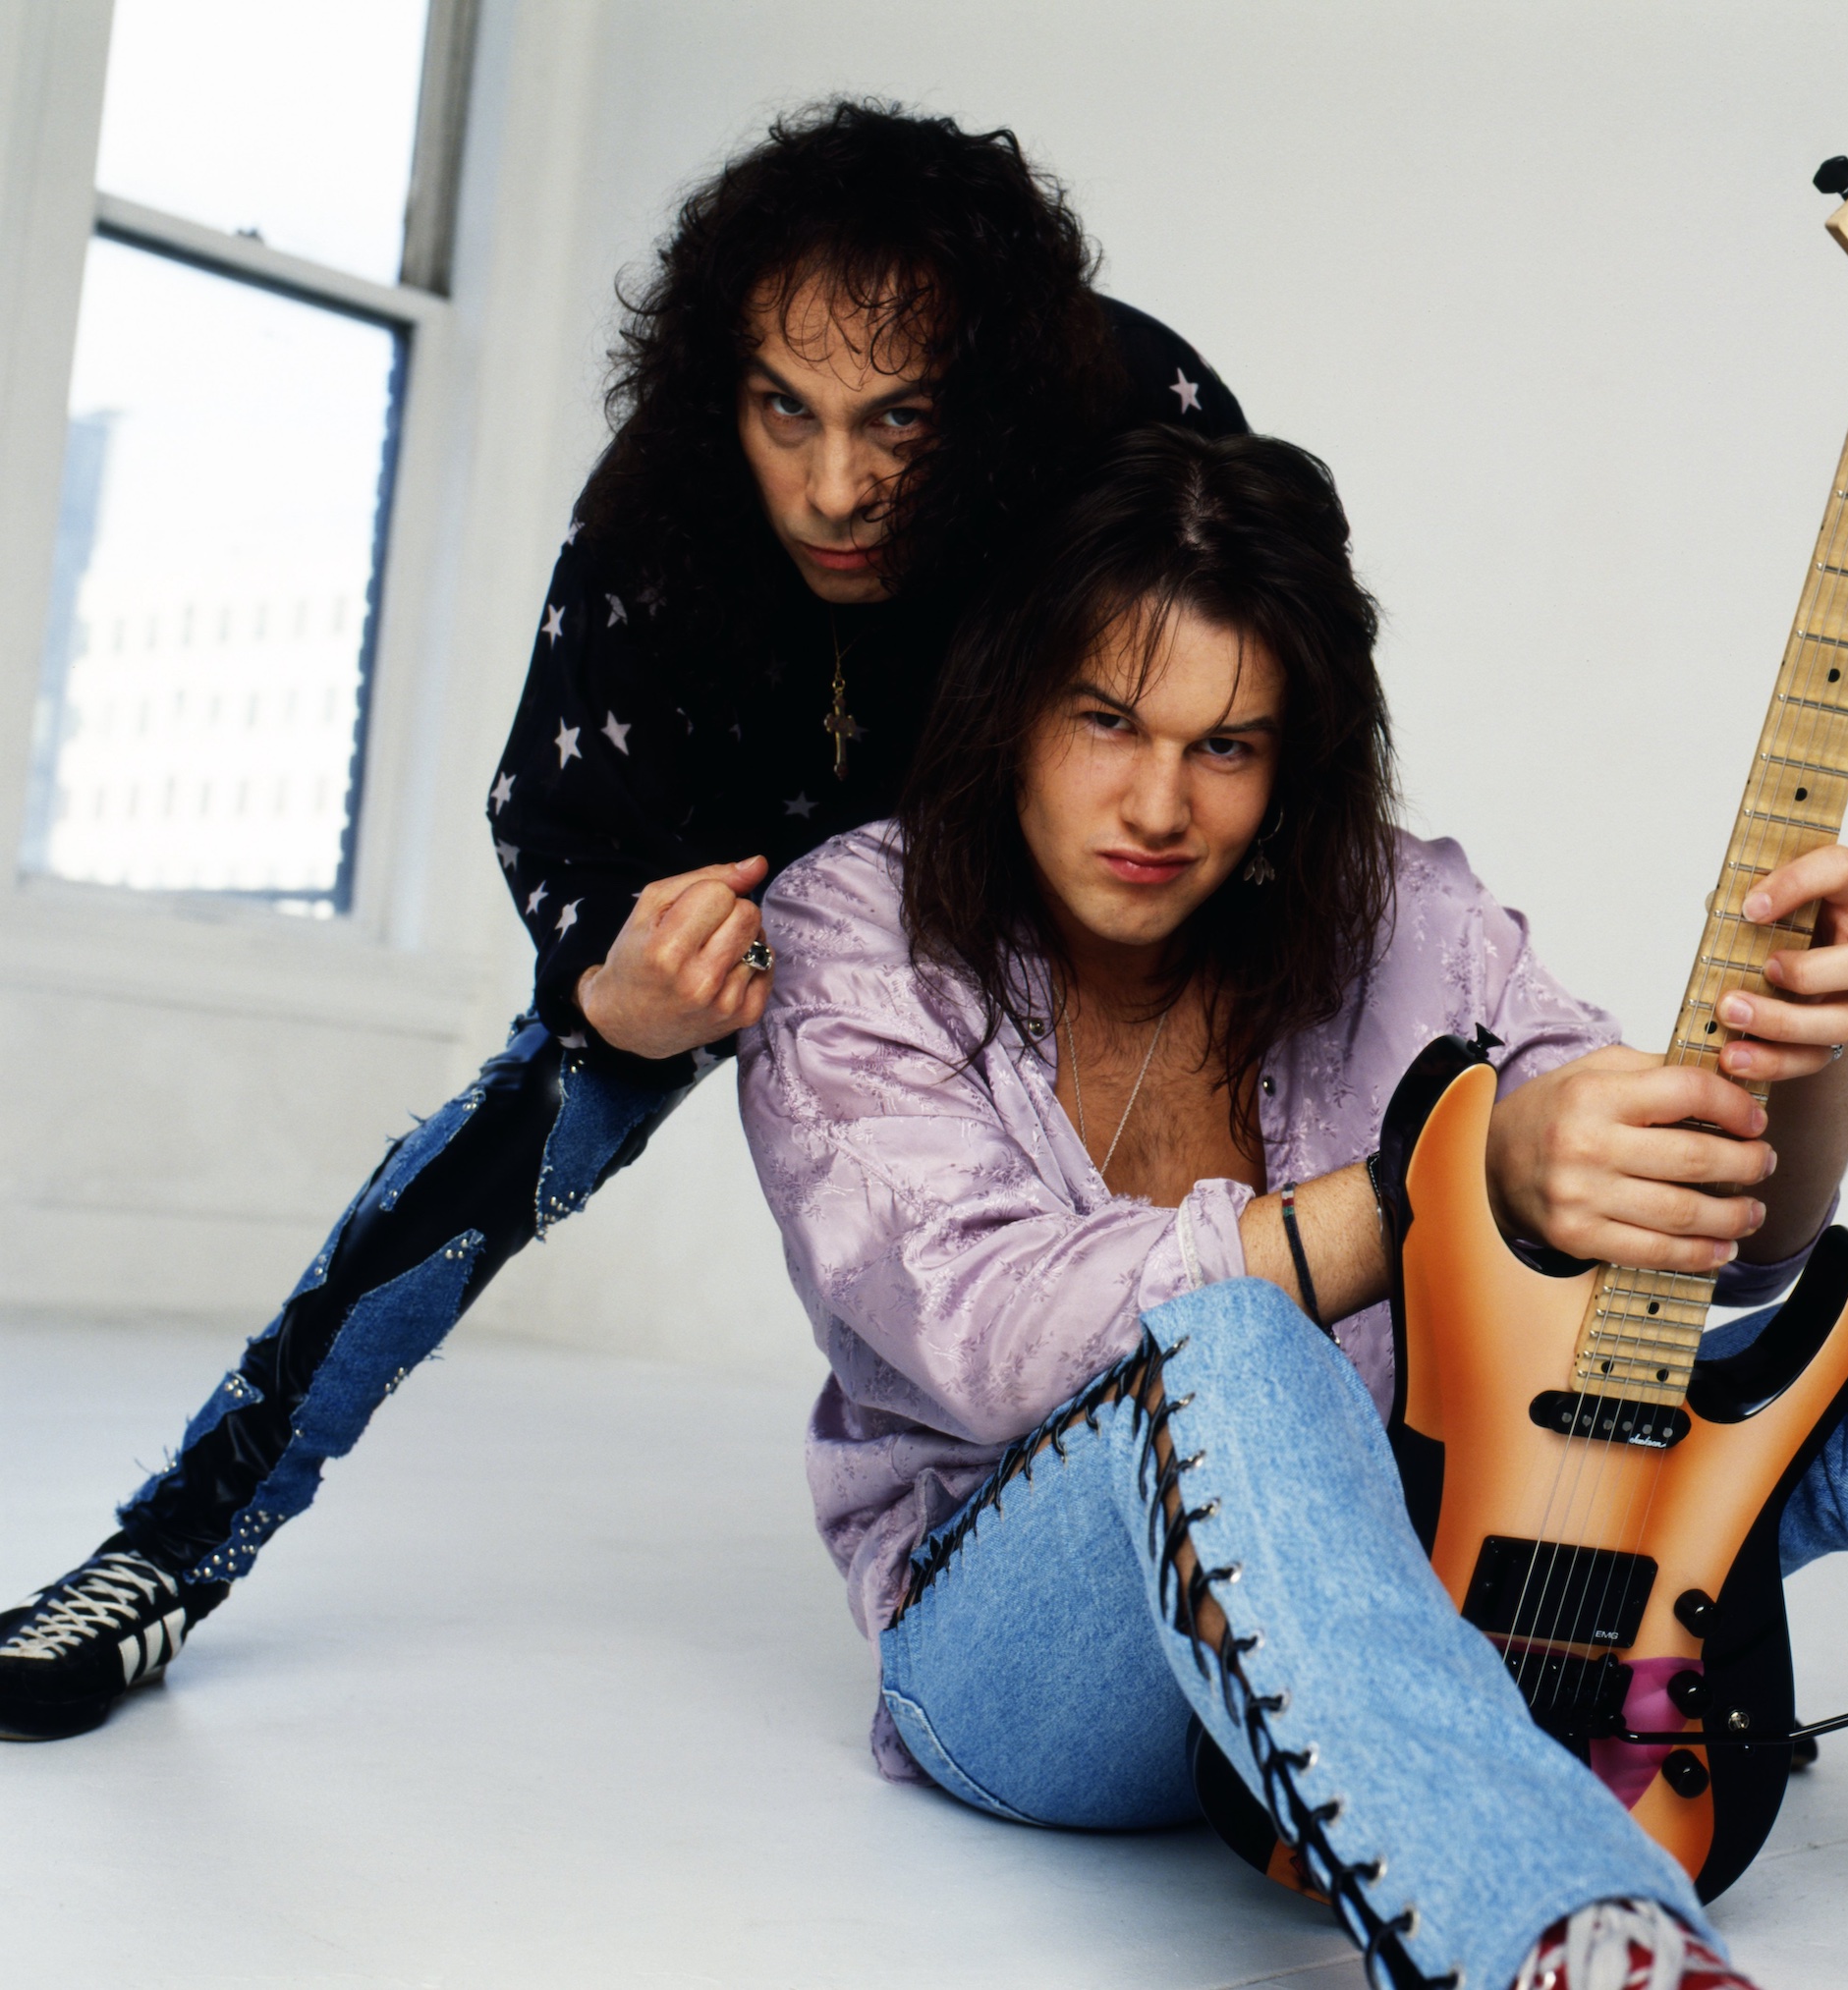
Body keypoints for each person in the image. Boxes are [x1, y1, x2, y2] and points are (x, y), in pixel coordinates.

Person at [0, 101, 1249, 1742]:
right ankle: (164, 1549)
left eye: (898, 421)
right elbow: (554, 811)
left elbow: (1262, 690)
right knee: (512, 1127)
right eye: (784, 410)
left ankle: (1268, 1552)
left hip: (1047, 871)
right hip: (736, 887)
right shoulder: (658, 498)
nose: (835, 488)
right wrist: (613, 986)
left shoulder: (1133, 419)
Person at [736, 426, 1848, 1990]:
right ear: (1007, 702)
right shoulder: (855, 931)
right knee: (1232, 1342)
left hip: (1442, 1573)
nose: (1158, 802)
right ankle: (1578, 1937)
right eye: (1105, 719)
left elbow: (1703, 1247)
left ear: (1293, 759)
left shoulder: (1403, 915)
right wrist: (1446, 1183)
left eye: (1227, 746)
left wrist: (1813, 1043)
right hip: (1044, 1659)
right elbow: (987, 1338)